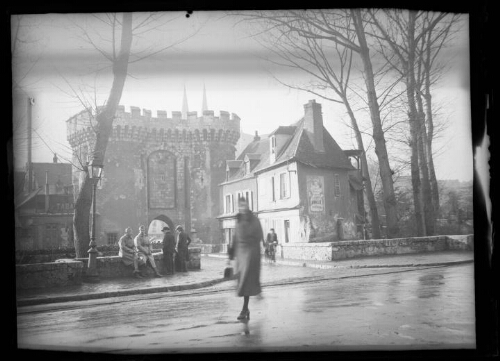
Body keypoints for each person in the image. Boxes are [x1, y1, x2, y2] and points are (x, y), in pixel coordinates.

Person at [233, 197, 266, 320]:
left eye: (244, 205)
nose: (242, 208)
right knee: (242, 282)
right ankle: (245, 309)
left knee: (246, 281)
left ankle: (244, 309)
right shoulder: (238, 220)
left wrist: (256, 247)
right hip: (240, 255)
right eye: (240, 206)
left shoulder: (254, 220)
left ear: (247, 206)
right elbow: (235, 237)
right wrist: (230, 255)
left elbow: (259, 234)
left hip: (251, 253)